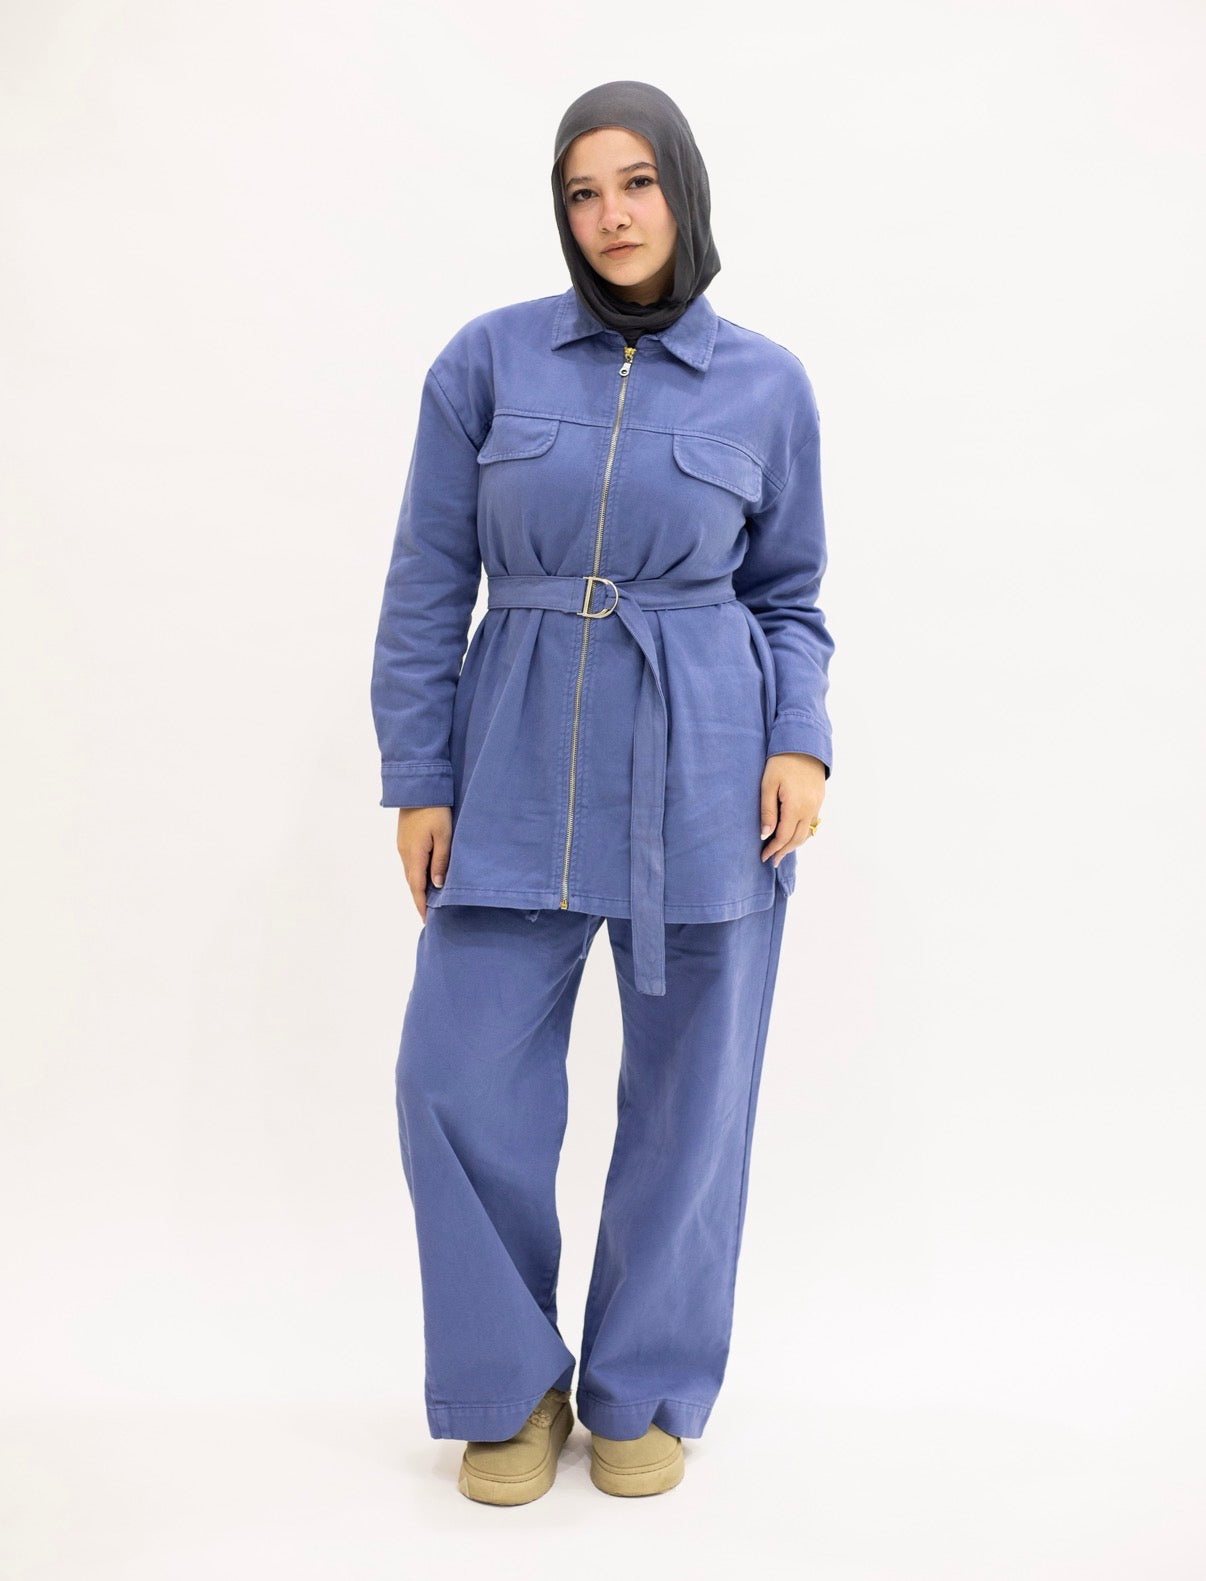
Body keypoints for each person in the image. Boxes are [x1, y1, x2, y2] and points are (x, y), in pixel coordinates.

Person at [370, 79, 835, 1504]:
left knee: (694, 1093)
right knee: (452, 1076)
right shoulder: (487, 361)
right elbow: (427, 580)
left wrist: (799, 738)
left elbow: (790, 593)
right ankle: (509, 1386)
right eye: (583, 192)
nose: (612, 216)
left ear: (681, 191)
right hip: (511, 759)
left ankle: (642, 1387)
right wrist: (418, 775)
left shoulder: (766, 383)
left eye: (636, 183)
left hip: (709, 764)